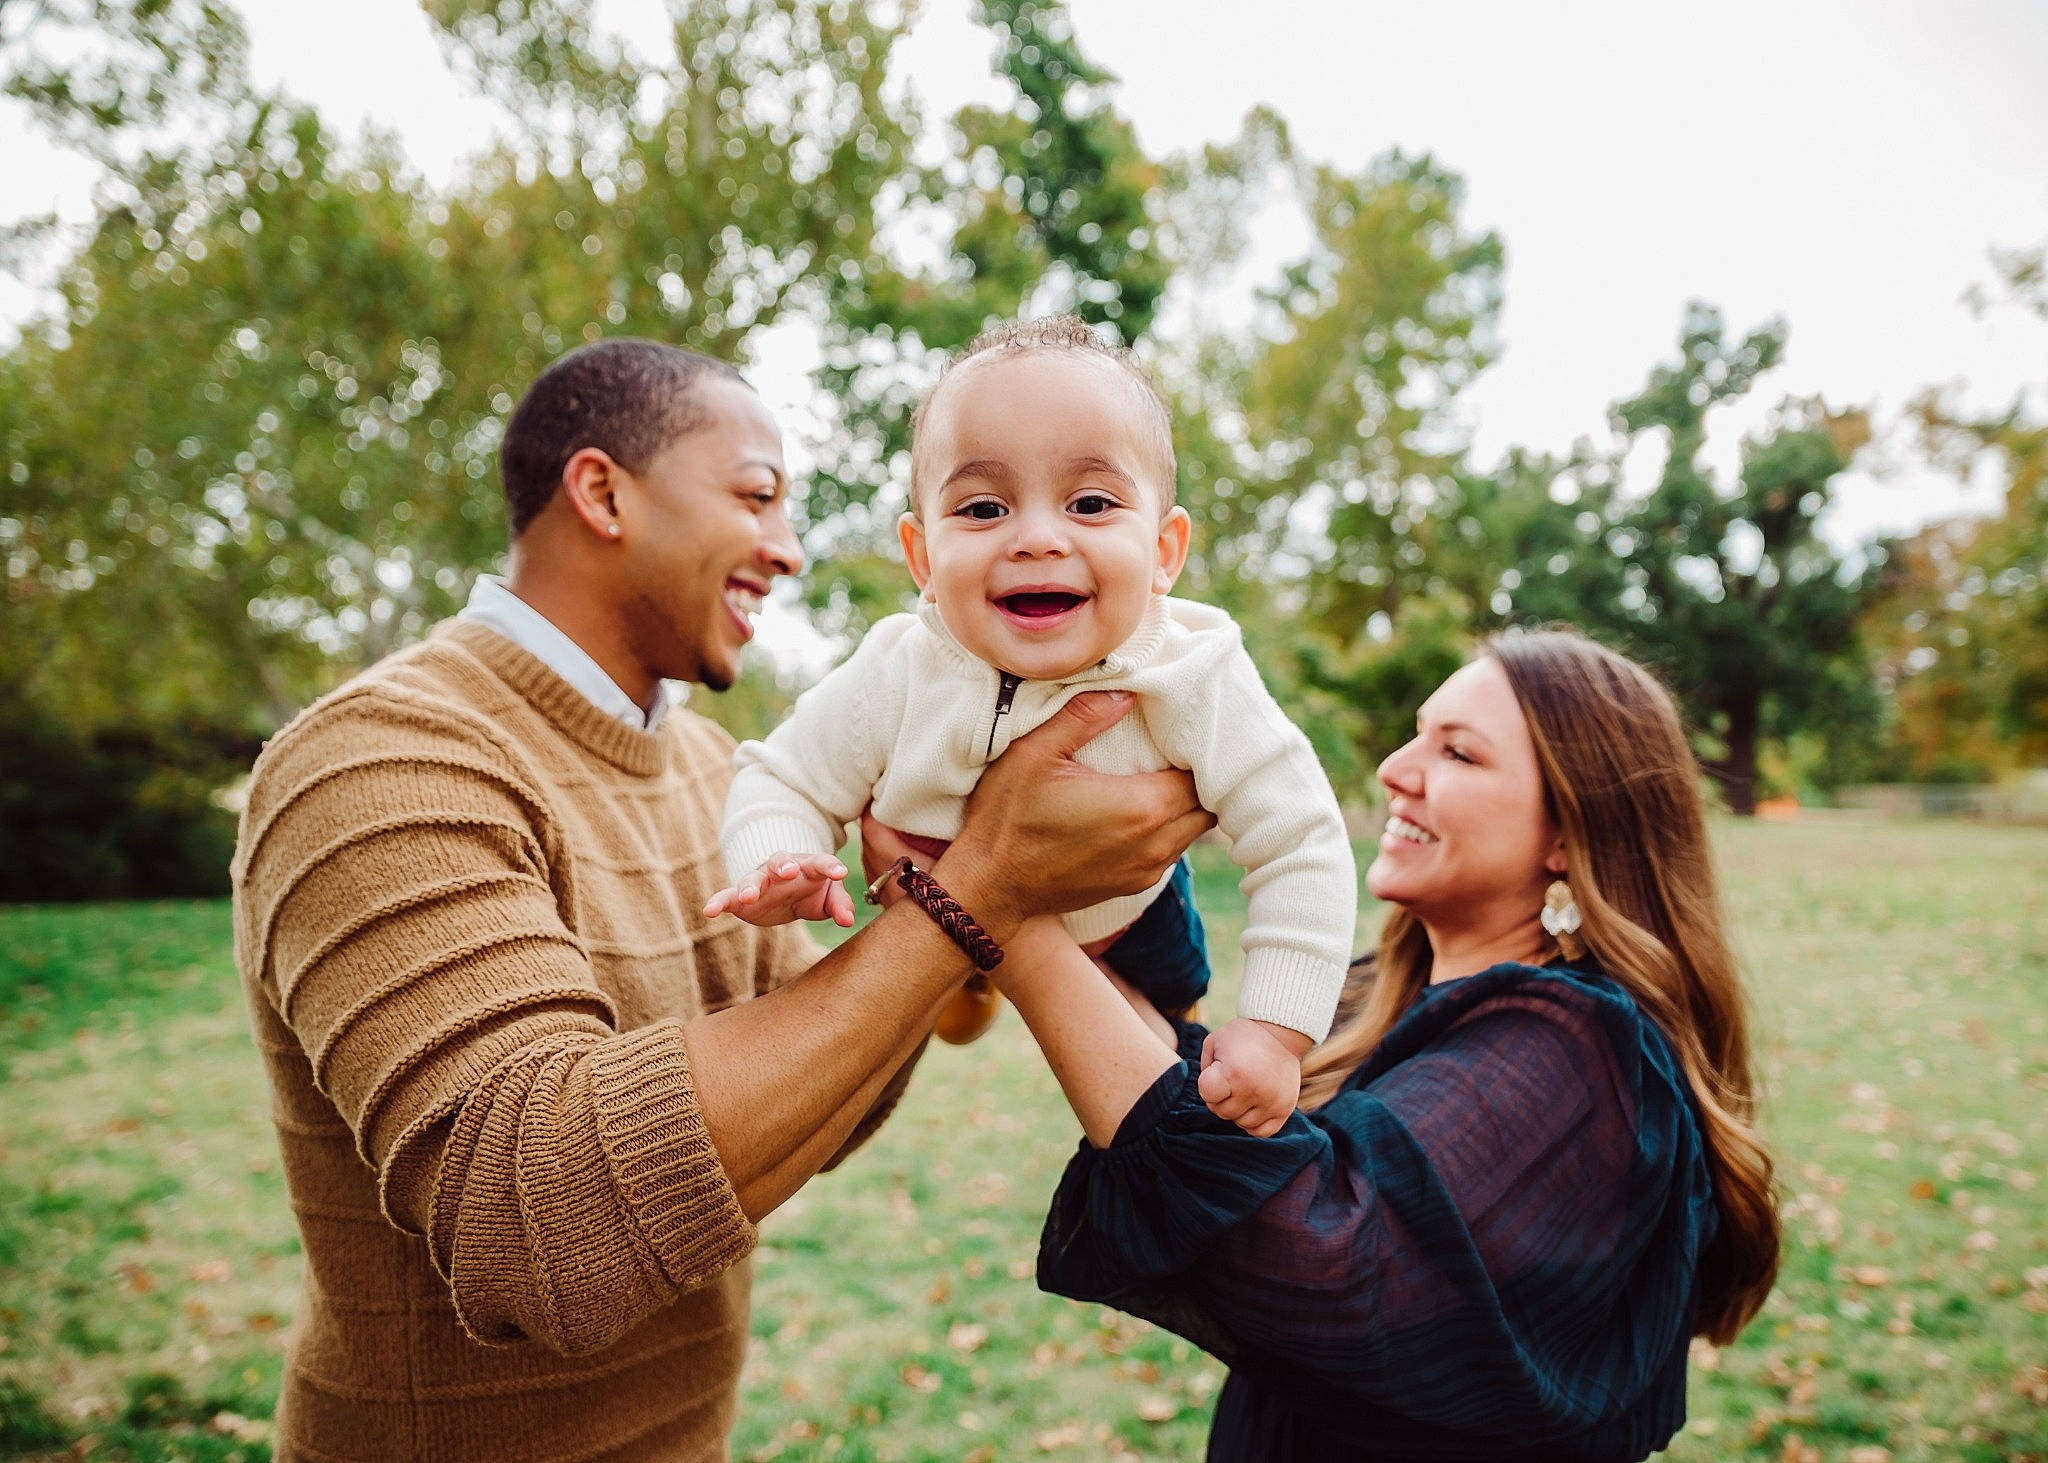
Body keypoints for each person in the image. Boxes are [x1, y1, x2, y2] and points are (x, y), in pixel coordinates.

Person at [228, 338, 1209, 1463]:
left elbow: (808, 1099)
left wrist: (950, 903)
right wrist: (975, 889)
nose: (787, 550)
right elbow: (539, 1231)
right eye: (756, 497)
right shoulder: (379, 756)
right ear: (601, 492)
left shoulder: (713, 775)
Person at [881, 629, 1782, 1461]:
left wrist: (996, 901)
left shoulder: (1584, 1052)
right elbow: (1204, 1115)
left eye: (1457, 751)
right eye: (1416, 736)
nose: (1397, 769)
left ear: (1567, 834)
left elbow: (1309, 1242)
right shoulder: (1371, 992)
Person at [706, 316, 1356, 1136]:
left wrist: (1274, 1029)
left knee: (1170, 1015)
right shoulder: (897, 668)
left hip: (1130, 912)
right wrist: (775, 856)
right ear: (922, 558)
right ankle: (969, 980)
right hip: (930, 888)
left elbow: (1300, 838)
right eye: (983, 507)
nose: (1038, 538)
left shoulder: (1195, 671)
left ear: (1164, 551)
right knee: (925, 951)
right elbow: (782, 774)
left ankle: (1068, 1007)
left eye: (1090, 502)